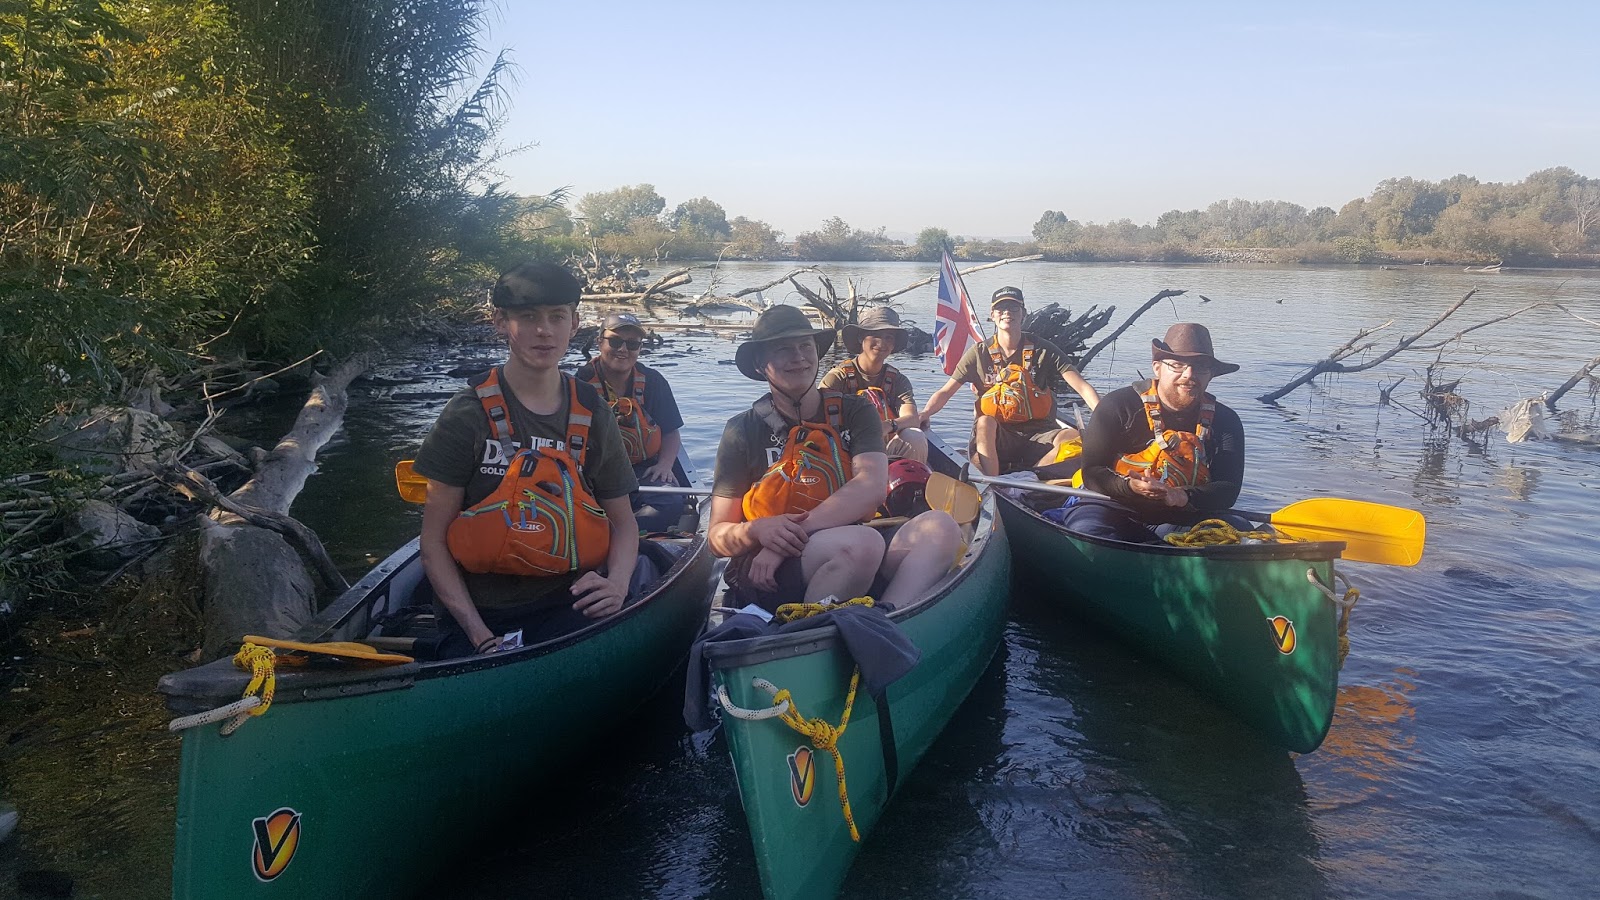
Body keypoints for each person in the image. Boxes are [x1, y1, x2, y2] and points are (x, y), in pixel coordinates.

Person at [412, 262, 640, 657]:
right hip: (480, 613)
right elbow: (432, 541)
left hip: (570, 600)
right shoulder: (466, 414)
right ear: (501, 322)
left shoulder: (593, 412)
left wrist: (617, 585)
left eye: (557, 317)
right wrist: (480, 637)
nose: (544, 330)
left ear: (574, 324)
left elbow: (624, 523)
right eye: (528, 317)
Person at [708, 305, 961, 612]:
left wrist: (796, 532)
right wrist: (759, 531)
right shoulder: (741, 430)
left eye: (805, 346)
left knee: (941, 527)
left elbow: (870, 488)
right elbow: (717, 537)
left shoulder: (856, 411)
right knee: (862, 545)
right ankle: (805, 627)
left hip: (851, 548)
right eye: (783, 349)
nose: (799, 357)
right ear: (761, 364)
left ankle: (887, 619)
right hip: (768, 568)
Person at [1064, 323, 1246, 541]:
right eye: (1177, 365)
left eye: (1200, 367)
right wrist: (1129, 486)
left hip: (1181, 515)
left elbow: (1228, 489)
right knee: (1087, 529)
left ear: (1211, 374)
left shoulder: (1226, 421)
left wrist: (1182, 495)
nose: (1189, 374)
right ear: (1157, 368)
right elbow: (1092, 472)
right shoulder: (1117, 406)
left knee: (1240, 530)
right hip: (1111, 505)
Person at [918, 286, 1101, 476]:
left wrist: (1104, 417)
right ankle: (993, 484)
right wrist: (925, 413)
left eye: (1014, 308)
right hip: (998, 435)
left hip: (1040, 432)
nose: (1007, 313)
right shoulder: (979, 353)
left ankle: (1033, 477)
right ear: (992, 315)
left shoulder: (1043, 350)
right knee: (984, 422)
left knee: (1072, 438)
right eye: (1001, 308)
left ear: (1023, 313)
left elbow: (1082, 387)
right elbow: (946, 391)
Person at [574, 311, 687, 532]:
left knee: (671, 503)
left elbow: (671, 431)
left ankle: (618, 532)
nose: (623, 349)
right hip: (596, 471)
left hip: (643, 468)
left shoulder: (653, 381)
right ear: (599, 342)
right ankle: (620, 531)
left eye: (632, 344)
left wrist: (664, 465)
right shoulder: (580, 383)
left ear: (640, 348)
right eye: (615, 341)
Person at [819, 307, 928, 462]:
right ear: (861, 338)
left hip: (886, 451)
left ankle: (905, 477)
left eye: (889, 337)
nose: (882, 343)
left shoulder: (898, 380)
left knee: (915, 436)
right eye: (875, 335)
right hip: (846, 453)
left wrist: (887, 426)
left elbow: (912, 418)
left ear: (894, 344)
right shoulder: (837, 378)